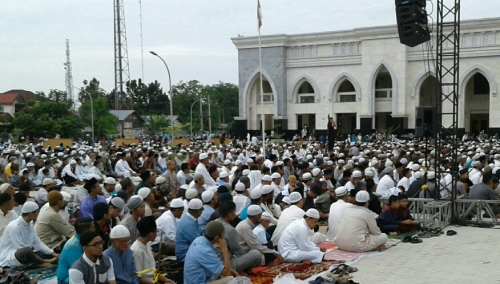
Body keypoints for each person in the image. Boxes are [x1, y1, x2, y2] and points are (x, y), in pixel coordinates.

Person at [0, 201, 59, 268]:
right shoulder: (14, 227)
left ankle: (42, 261)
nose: (38, 215)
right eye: (37, 213)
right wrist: (40, 259)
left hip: (28, 254)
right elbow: (20, 249)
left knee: (46, 254)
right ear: (31, 214)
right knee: (26, 251)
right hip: (11, 257)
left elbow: (37, 242)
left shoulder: (29, 224)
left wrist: (52, 253)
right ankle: (42, 262)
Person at [217, 201, 261, 273]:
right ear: (230, 215)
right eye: (234, 212)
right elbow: (238, 251)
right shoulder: (229, 229)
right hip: (227, 264)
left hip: (215, 261)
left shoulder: (213, 223)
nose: (235, 214)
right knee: (257, 254)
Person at [132, 216, 175, 284]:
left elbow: (152, 272)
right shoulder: (137, 251)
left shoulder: (146, 244)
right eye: (156, 231)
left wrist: (166, 280)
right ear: (151, 234)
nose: (156, 234)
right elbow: (138, 278)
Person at [57, 217, 94, 284]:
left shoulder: (84, 240)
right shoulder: (73, 246)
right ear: (86, 231)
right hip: (67, 279)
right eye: (93, 228)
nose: (95, 230)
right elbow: (80, 270)